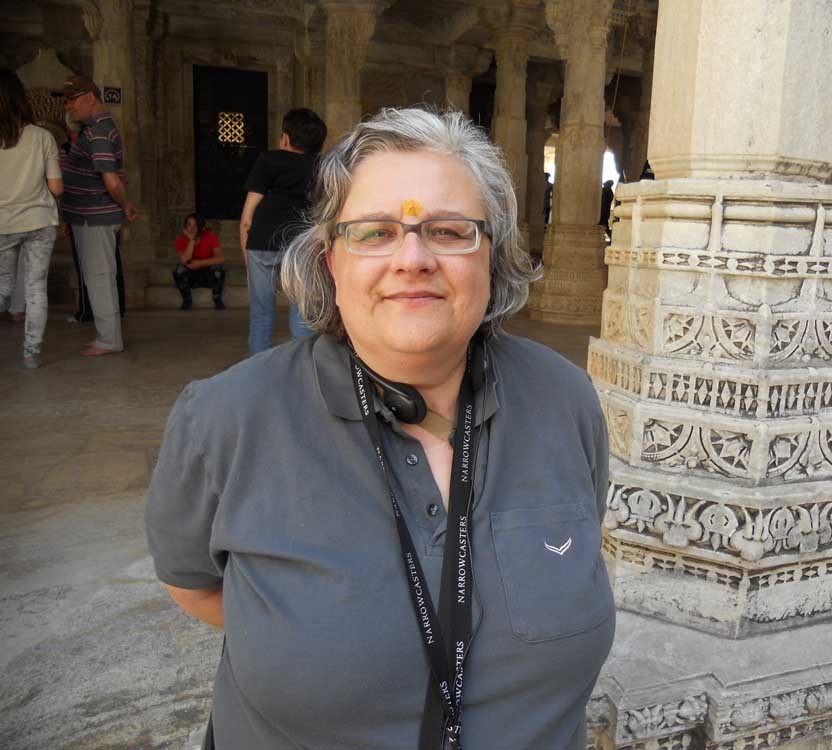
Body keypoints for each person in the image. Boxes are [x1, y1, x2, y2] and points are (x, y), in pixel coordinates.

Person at [146, 108, 615, 750]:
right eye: (375, 233)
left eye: (448, 231)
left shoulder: (564, 400)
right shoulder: (225, 419)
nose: (413, 258)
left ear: (494, 256)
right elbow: (193, 585)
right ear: (330, 260)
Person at [61, 73, 137, 356]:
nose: (68, 105)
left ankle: (109, 340)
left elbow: (112, 181)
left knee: (100, 277)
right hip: (87, 216)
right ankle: (107, 336)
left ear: (90, 97)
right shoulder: (94, 129)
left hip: (95, 217)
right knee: (98, 276)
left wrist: (125, 204)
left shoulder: (99, 132)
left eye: (72, 99)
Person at [240, 107, 327, 355]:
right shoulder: (321, 165)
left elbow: (247, 218)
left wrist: (247, 255)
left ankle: (260, 370)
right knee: (302, 317)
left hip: (262, 242)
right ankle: (300, 368)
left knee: (261, 315)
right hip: (301, 244)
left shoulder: (268, 160)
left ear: (285, 138)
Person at [0, 68, 63, 369]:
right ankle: (31, 354)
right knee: (36, 288)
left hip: (4, 224)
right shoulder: (42, 137)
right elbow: (56, 188)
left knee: (3, 287)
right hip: (40, 221)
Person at [173, 213, 225, 310]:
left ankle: (217, 298)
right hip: (191, 276)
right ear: (185, 227)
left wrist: (200, 263)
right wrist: (191, 240)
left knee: (219, 269)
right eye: (189, 224)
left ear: (201, 227)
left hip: (208, 275)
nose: (192, 228)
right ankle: (187, 300)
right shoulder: (180, 240)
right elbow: (184, 260)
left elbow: (221, 258)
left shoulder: (209, 236)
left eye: (195, 225)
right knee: (179, 270)